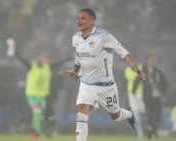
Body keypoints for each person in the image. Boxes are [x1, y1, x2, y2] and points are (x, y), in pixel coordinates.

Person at [66, 8, 146, 141]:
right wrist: (75, 69)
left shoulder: (103, 36)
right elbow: (79, 56)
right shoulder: (76, 38)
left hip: (106, 86)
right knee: (81, 113)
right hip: (86, 84)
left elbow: (123, 52)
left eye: (83, 18)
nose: (79, 21)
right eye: (78, 18)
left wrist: (136, 67)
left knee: (115, 116)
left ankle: (128, 114)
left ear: (92, 21)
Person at [6, 39, 52, 138]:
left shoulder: (47, 67)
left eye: (41, 58)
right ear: (36, 59)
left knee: (39, 115)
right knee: (37, 112)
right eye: (38, 58)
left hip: (42, 95)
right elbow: (21, 59)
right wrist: (15, 52)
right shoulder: (31, 66)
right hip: (31, 95)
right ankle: (36, 133)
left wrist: (70, 58)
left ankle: (33, 131)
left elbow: (59, 64)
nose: (40, 59)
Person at [132, 54, 167, 139]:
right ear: (147, 61)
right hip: (147, 97)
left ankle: (154, 130)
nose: (153, 62)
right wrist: (133, 91)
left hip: (157, 97)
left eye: (154, 60)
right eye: (151, 60)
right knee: (150, 115)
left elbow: (165, 83)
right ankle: (149, 134)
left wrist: (162, 92)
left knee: (158, 116)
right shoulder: (143, 71)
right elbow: (137, 81)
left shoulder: (158, 71)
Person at [124, 65, 145, 138]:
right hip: (132, 95)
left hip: (141, 93)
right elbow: (127, 81)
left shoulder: (140, 68)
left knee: (145, 111)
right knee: (136, 113)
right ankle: (140, 133)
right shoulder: (127, 70)